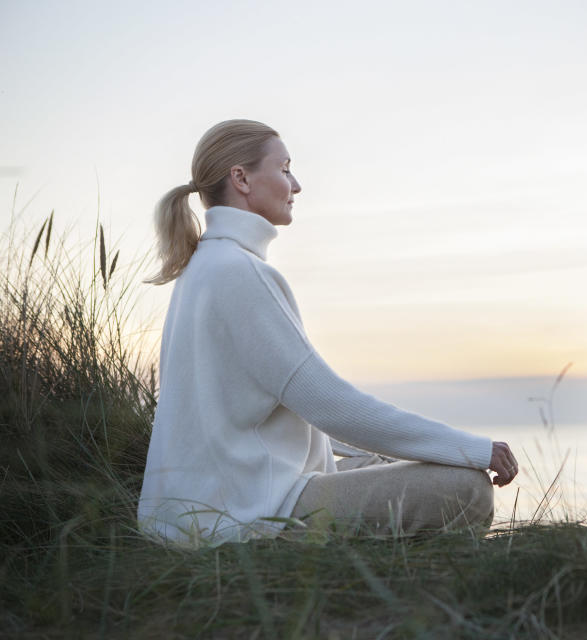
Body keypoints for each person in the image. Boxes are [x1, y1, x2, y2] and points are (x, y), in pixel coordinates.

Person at [137, 119, 519, 547]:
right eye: (284, 169)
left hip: (209, 506)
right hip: (247, 514)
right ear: (241, 178)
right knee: (464, 488)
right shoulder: (239, 273)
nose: (295, 184)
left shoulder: (205, 268)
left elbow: (291, 408)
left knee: (382, 461)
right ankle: (411, 585)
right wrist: (471, 449)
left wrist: (389, 457)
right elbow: (329, 404)